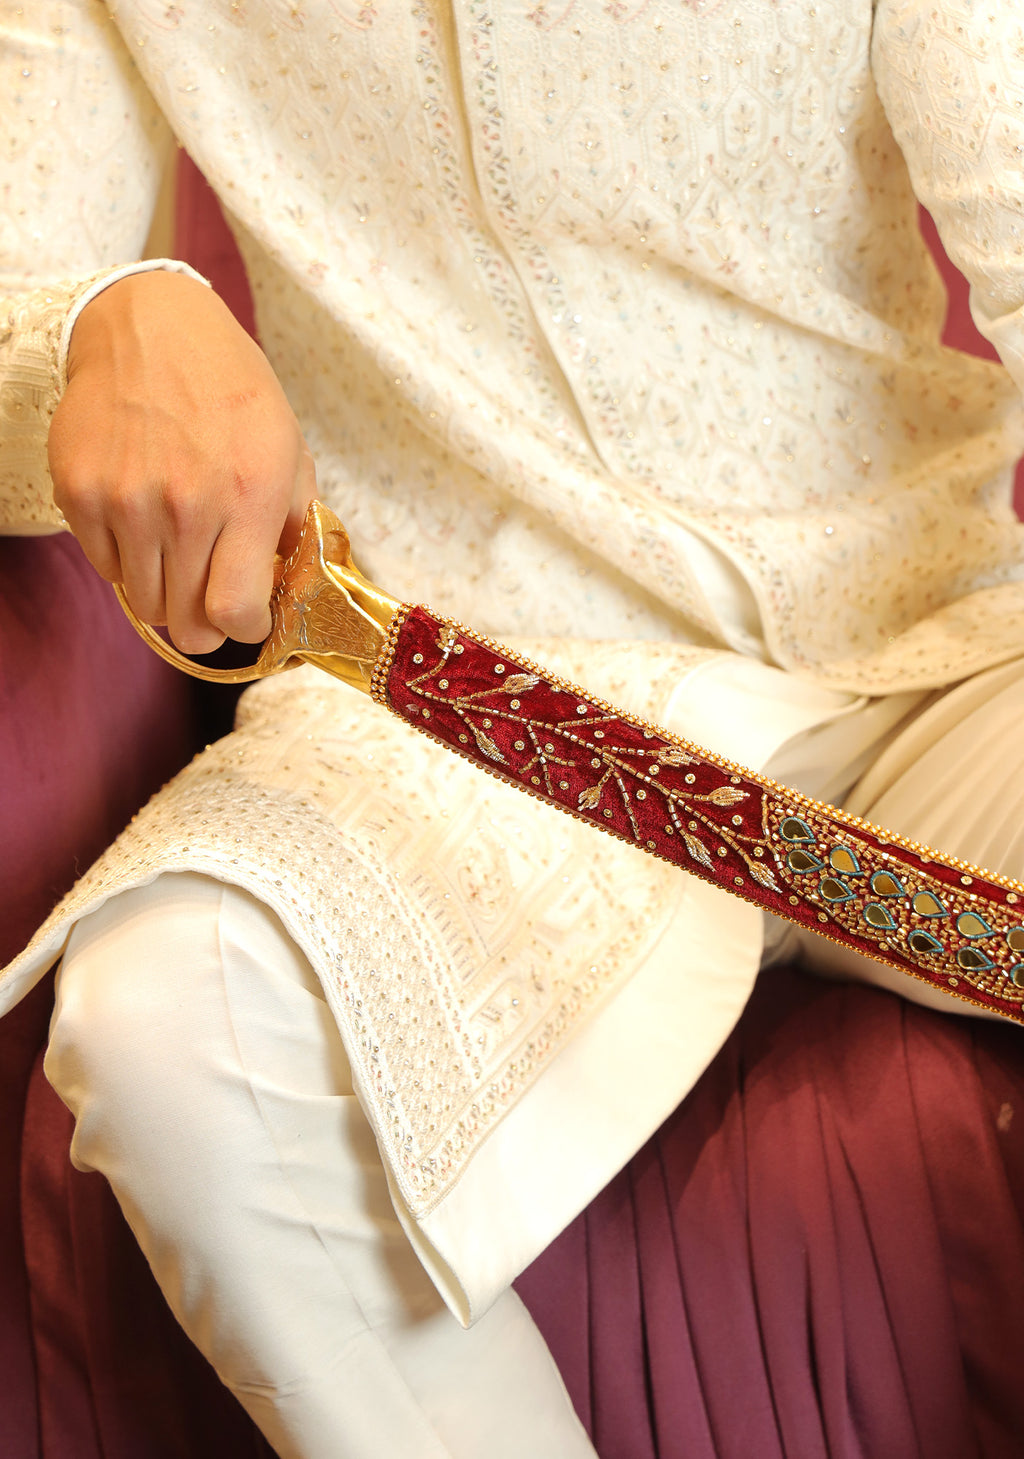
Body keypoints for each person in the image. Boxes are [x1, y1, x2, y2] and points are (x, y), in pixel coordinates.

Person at [2, 1, 1024, 1454]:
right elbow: (11, 293)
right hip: (447, 722)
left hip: (929, 656)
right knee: (170, 1027)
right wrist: (106, 325)